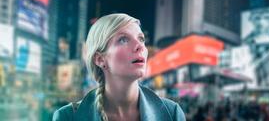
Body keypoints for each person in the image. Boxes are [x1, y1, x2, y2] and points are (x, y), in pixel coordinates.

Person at [53, 13, 186, 121]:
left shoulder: (172, 114)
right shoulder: (67, 117)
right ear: (100, 59)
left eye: (141, 39)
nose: (140, 46)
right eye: (123, 39)